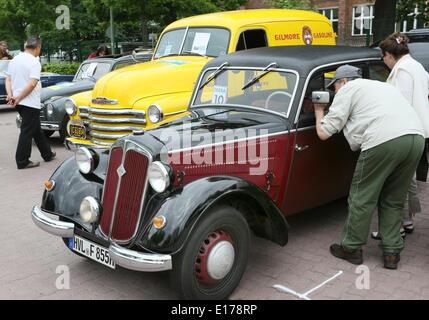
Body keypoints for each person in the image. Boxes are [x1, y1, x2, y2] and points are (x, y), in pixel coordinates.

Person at [314, 65, 425, 269]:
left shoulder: (347, 90)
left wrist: (318, 110)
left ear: (344, 81)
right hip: (415, 138)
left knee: (362, 196)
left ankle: (351, 248)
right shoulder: (382, 87)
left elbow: (324, 133)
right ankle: (391, 252)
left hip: (383, 140)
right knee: (394, 198)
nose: (335, 92)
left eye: (335, 87)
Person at [369, 32, 429, 239]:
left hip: (403, 130)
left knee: (395, 181)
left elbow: (400, 103)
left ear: (388, 54)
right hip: (418, 129)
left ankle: (396, 228)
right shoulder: (417, 67)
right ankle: (407, 220)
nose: (383, 61)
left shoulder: (402, 70)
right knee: (407, 179)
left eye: (383, 57)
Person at [6, 36, 55, 169]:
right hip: (29, 101)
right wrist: (19, 97)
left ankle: (47, 154)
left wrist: (11, 95)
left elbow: (8, 79)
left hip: (20, 101)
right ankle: (22, 161)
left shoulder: (14, 60)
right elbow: (32, 84)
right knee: (27, 130)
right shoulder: (34, 62)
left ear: (25, 46)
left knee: (36, 129)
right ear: (38, 47)